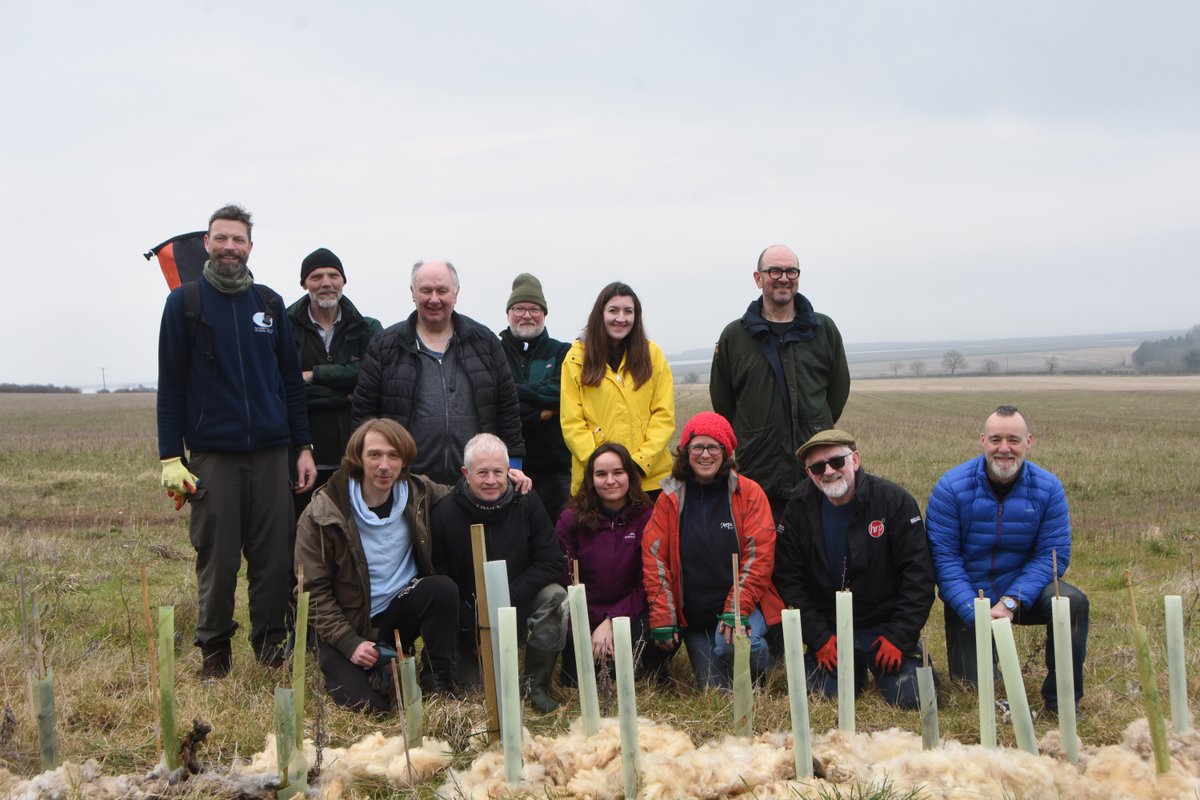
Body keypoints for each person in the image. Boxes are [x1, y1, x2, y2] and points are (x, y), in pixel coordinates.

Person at [157, 204, 315, 679]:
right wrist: (170, 456)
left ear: (250, 247)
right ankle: (215, 654)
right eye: (221, 238)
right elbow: (171, 387)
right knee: (218, 558)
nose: (229, 247)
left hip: (271, 454)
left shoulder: (268, 305)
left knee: (272, 558)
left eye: (238, 240)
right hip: (213, 457)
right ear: (207, 243)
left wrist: (302, 446)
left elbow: (291, 383)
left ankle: (270, 648)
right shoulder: (185, 304)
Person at [925, 405, 1088, 714]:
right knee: (972, 689)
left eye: (1013, 440)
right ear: (982, 441)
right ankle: (989, 667)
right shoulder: (950, 487)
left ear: (1029, 442)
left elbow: (1053, 556)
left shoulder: (1048, 488)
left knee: (1071, 603)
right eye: (996, 439)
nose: (1004, 449)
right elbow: (944, 559)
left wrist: (1013, 601)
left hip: (1024, 590)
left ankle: (1062, 702)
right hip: (971, 598)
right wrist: (975, 611)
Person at [295, 419, 460, 712]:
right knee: (372, 707)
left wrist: (508, 480)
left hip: (398, 612)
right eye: (375, 455)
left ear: (404, 460)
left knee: (442, 590)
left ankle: (436, 678)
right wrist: (350, 643)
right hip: (348, 623)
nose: (384, 465)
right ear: (359, 457)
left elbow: (465, 496)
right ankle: (374, 666)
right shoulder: (323, 512)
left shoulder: (419, 492)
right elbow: (311, 591)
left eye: (393, 455)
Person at [773, 429, 935, 709]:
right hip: (831, 629)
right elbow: (789, 579)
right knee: (824, 698)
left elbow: (918, 575)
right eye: (817, 466)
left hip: (885, 625)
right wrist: (820, 638)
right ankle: (849, 666)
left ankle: (906, 657)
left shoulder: (894, 501)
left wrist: (899, 636)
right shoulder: (797, 508)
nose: (829, 472)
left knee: (913, 699)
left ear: (855, 460)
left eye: (837, 462)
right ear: (808, 472)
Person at [709, 244, 851, 523]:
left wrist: (814, 427)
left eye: (791, 271)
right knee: (765, 555)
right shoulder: (735, 336)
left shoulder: (823, 330)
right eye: (774, 270)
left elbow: (837, 391)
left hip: (816, 464)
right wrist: (755, 437)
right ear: (758, 278)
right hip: (759, 470)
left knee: (817, 553)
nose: (784, 278)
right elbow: (723, 403)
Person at [351, 260, 525, 486]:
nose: (434, 299)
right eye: (426, 290)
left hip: (476, 484)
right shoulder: (384, 346)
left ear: (456, 293)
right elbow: (364, 415)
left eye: (442, 291)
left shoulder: (485, 343)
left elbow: (508, 410)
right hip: (406, 484)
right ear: (413, 293)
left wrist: (515, 466)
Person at [642, 412, 783, 689]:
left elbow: (759, 557)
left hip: (745, 606)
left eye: (713, 447)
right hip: (698, 619)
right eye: (697, 447)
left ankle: (770, 659)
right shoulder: (669, 498)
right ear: (686, 452)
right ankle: (735, 662)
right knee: (717, 691)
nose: (705, 455)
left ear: (726, 452)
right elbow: (654, 559)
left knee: (736, 646)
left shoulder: (749, 493)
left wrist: (736, 610)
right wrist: (663, 616)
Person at [431, 433, 567, 713]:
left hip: (520, 598)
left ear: (510, 470)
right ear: (465, 473)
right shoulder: (445, 514)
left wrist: (507, 597)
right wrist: (472, 631)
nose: (491, 480)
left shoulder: (527, 501)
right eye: (482, 472)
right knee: (478, 690)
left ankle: (536, 685)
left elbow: (553, 562)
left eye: (498, 471)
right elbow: (441, 579)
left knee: (557, 598)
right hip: (472, 615)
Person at [555, 442, 671, 684]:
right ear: (590, 479)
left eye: (618, 472)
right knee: (579, 680)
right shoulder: (570, 520)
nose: (610, 481)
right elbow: (565, 580)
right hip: (583, 616)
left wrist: (611, 621)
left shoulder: (647, 518)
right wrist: (587, 629)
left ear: (630, 475)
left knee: (623, 675)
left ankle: (644, 666)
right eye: (601, 474)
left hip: (629, 613)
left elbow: (645, 585)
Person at [288, 247, 382, 519]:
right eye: (316, 276)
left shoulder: (368, 328)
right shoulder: (284, 326)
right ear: (304, 283)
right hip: (302, 455)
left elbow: (372, 377)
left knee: (352, 533)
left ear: (343, 281)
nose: (326, 282)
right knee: (305, 533)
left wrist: (313, 375)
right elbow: (284, 387)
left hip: (355, 453)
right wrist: (346, 395)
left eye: (333, 275)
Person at [561, 282, 675, 497]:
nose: (621, 318)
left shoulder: (653, 356)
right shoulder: (576, 359)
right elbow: (572, 422)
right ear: (600, 314)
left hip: (648, 482)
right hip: (595, 483)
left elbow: (663, 416)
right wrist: (604, 469)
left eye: (628, 311)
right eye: (613, 310)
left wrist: (639, 464)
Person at [498, 273, 572, 523]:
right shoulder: (492, 352)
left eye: (534, 308)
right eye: (519, 308)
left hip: (556, 471)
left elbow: (562, 394)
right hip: (504, 469)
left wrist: (513, 393)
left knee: (560, 538)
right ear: (509, 313)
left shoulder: (564, 352)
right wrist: (542, 411)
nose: (527, 315)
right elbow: (492, 398)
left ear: (544, 313)